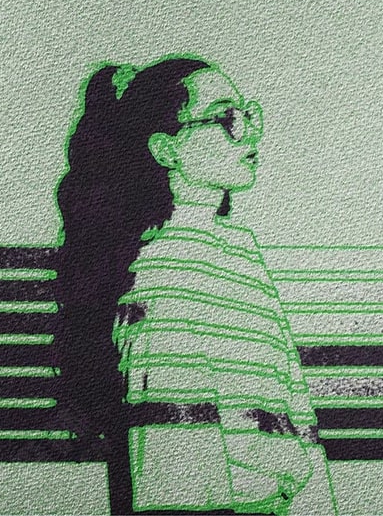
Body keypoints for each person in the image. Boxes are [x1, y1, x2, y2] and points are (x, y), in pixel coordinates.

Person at [56, 55, 337, 515]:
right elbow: (173, 467)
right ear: (167, 150)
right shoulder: (160, 272)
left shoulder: (239, 251)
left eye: (249, 114)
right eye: (226, 118)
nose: (249, 132)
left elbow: (297, 415)